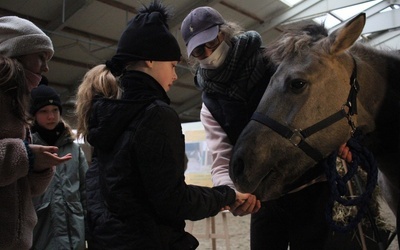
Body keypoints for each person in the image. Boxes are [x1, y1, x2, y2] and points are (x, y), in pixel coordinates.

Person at [75, 1, 250, 249]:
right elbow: (173, 200)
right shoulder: (156, 114)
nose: (175, 76)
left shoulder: (105, 113)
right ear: (150, 60)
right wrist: (227, 195)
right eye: (172, 65)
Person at [181, 6, 353, 250]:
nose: (209, 52)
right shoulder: (210, 104)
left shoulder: (276, 64)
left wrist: (340, 139)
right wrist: (232, 193)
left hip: (312, 188)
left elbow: (318, 108)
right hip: (265, 200)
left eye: (212, 42)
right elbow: (221, 160)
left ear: (225, 33)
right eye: (199, 51)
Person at [0, 16, 72, 250]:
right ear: (17, 52)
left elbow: (25, 190)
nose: (46, 67)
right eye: (40, 56)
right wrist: (27, 156)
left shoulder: (16, 104)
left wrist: (39, 167)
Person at [29, 81, 88, 250]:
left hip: (74, 239)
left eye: (55, 110)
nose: (51, 116)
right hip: (42, 239)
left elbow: (85, 192)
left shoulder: (74, 150)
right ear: (33, 115)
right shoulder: (28, 150)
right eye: (44, 111)